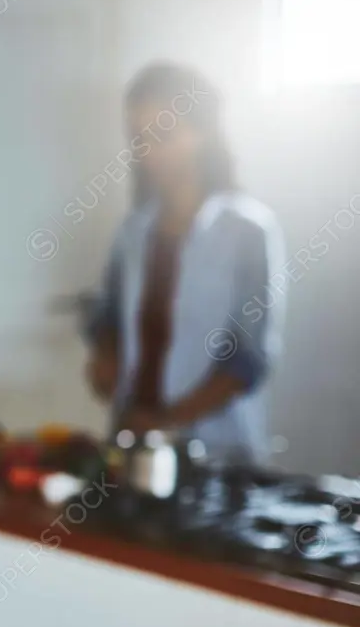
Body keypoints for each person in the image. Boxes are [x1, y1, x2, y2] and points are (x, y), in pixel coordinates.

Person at [85, 63, 286, 465]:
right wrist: (105, 357)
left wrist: (166, 422)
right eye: (138, 138)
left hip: (217, 453)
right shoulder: (135, 231)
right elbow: (107, 314)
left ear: (202, 134)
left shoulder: (248, 230)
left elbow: (249, 356)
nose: (148, 152)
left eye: (162, 135)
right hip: (133, 445)